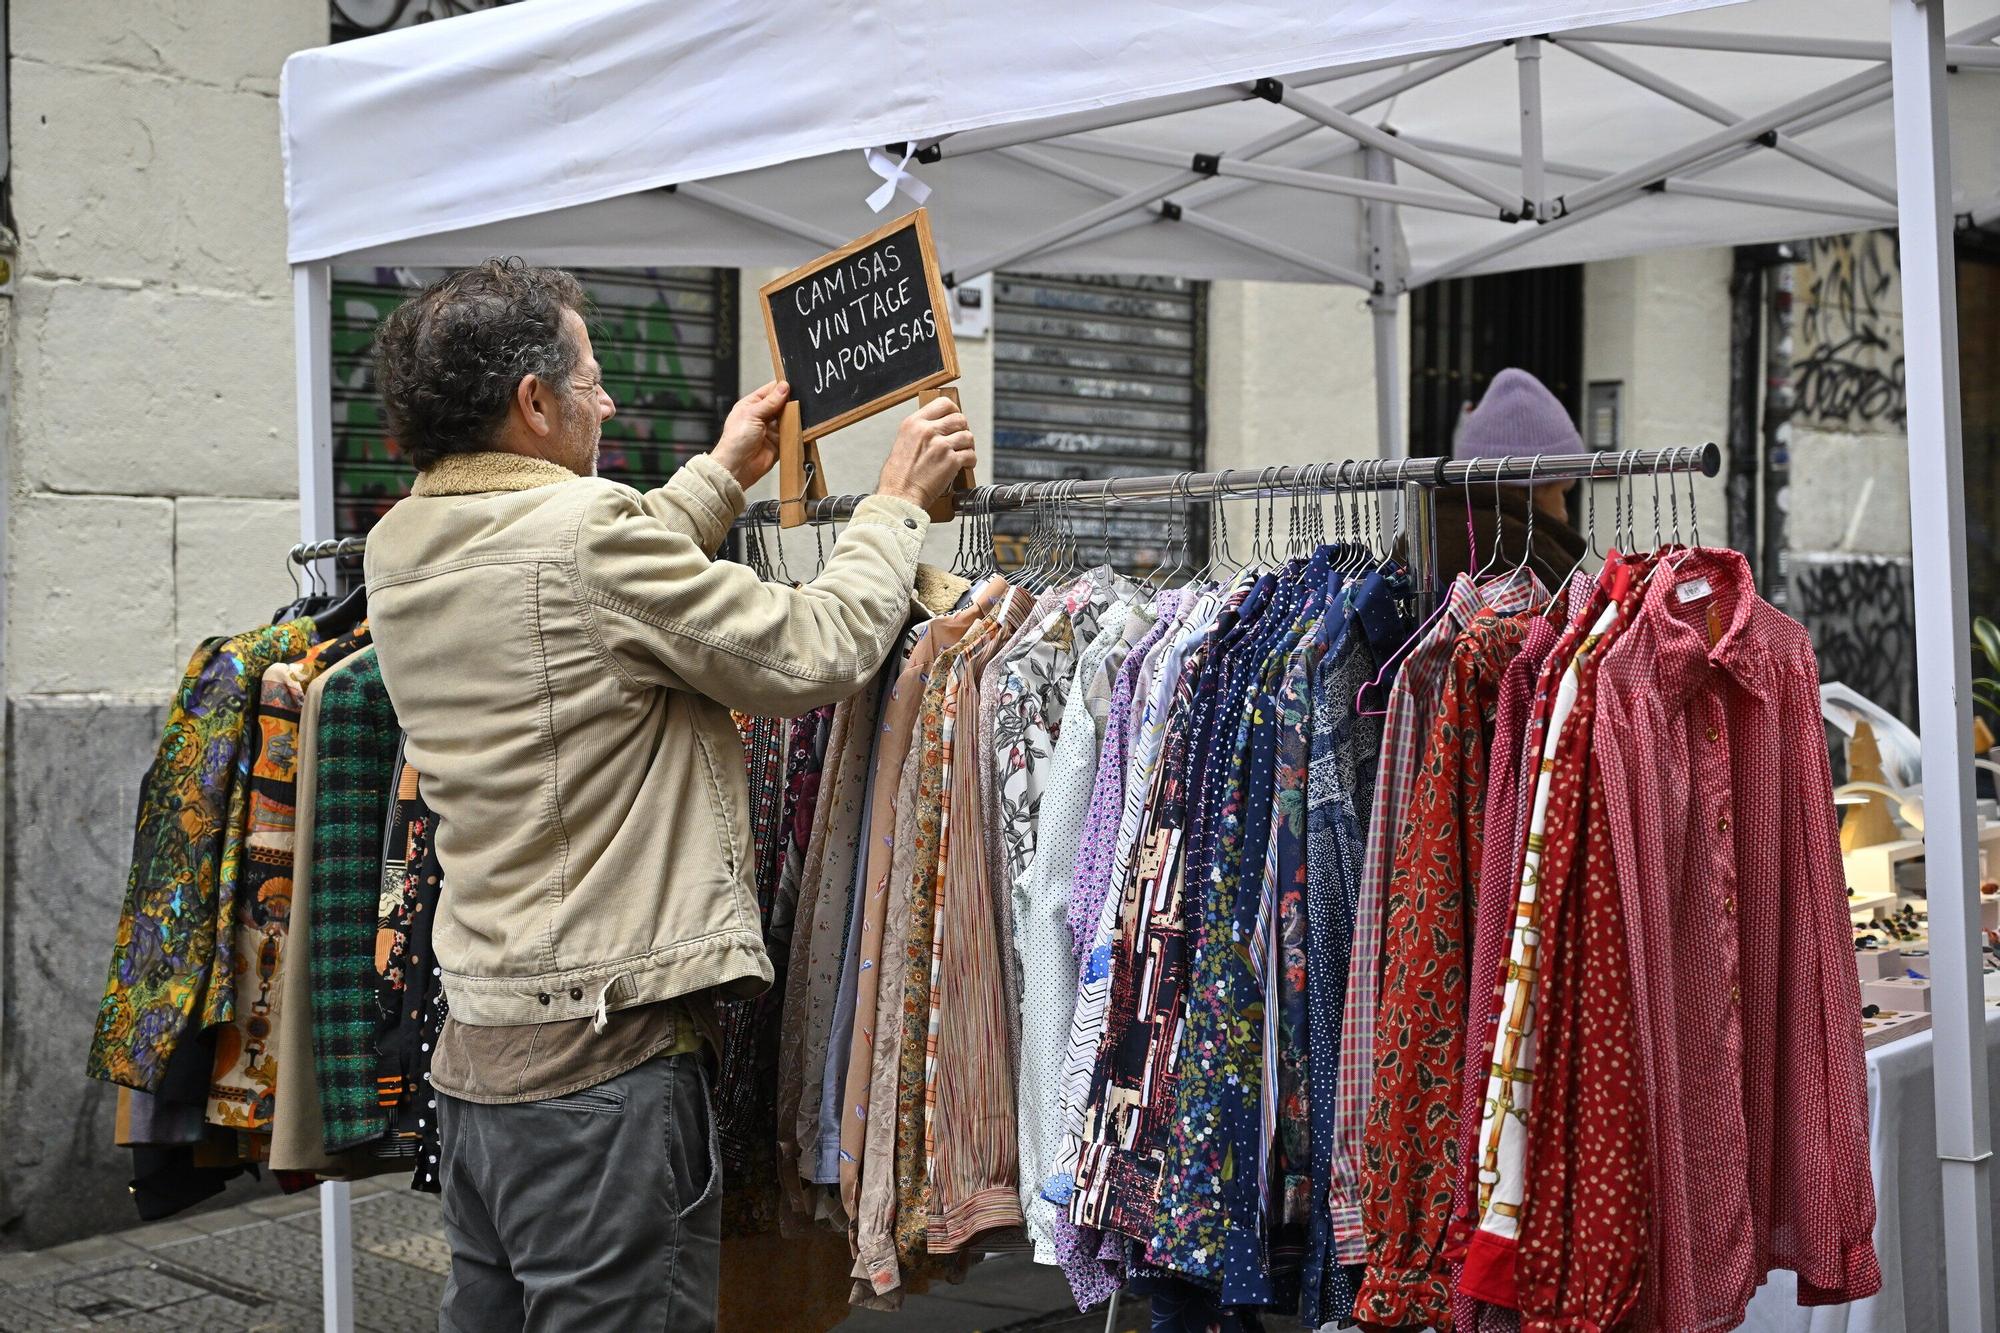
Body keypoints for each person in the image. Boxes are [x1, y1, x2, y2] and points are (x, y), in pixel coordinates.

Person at [361, 258, 975, 1332]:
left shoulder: (402, 542)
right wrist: (893, 509)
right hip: (597, 1068)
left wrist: (721, 476)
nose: (608, 402)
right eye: (591, 381)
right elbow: (812, 650)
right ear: (534, 401)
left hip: (479, 1053)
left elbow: (578, 591)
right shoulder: (582, 538)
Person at [1429, 367, 1589, 588]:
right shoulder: (1536, 558)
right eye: (1562, 491)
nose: (1563, 514)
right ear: (1536, 486)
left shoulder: (1419, 538)